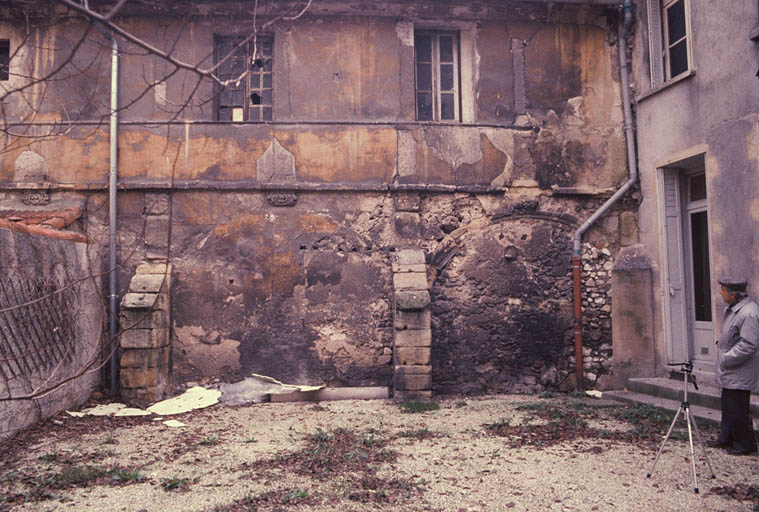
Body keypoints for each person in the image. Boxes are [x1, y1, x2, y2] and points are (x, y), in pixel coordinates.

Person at [710, 278, 759, 455]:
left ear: (734, 294)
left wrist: (727, 358)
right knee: (729, 405)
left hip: (739, 369)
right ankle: (727, 438)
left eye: (723, 290)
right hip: (732, 369)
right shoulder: (734, 310)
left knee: (738, 408)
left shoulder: (748, 313)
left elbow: (749, 344)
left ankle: (745, 444)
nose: (721, 293)